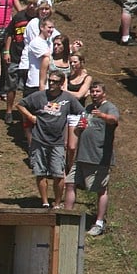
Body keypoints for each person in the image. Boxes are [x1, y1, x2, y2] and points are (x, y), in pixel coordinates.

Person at [17, 72, 83, 207]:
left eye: (54, 81)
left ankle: (57, 203)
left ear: (61, 83)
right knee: (40, 172)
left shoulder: (68, 99)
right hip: (39, 139)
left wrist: (82, 124)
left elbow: (81, 112)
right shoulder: (39, 96)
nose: (51, 83)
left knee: (58, 174)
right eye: (50, 80)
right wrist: (30, 117)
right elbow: (20, 105)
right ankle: (45, 202)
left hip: (57, 142)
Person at [63, 82, 120, 234]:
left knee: (101, 189)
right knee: (70, 183)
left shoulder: (109, 107)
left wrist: (103, 116)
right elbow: (79, 128)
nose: (94, 94)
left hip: (99, 157)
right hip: (81, 155)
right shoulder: (88, 108)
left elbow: (114, 120)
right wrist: (80, 127)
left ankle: (99, 223)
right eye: (92, 91)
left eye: (97, 91)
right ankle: (66, 217)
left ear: (104, 93)